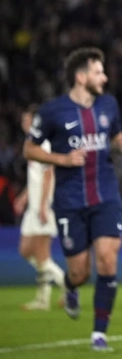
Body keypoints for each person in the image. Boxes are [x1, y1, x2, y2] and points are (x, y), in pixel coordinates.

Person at [23, 47, 122, 351]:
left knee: (108, 258)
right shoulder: (51, 111)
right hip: (70, 201)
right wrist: (62, 158)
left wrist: (119, 144)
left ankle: (99, 333)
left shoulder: (109, 105)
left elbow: (111, 137)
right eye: (99, 72)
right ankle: (71, 288)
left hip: (106, 196)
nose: (105, 77)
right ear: (81, 76)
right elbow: (29, 149)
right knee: (79, 271)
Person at [14, 104, 66, 312]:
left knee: (42, 254)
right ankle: (62, 287)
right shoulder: (33, 144)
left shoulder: (43, 145)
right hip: (33, 206)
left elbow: (47, 174)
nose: (23, 123)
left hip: (42, 207)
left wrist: (44, 205)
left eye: (27, 119)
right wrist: (23, 198)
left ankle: (50, 296)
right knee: (25, 251)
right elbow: (35, 177)